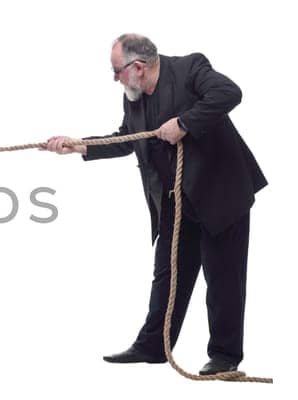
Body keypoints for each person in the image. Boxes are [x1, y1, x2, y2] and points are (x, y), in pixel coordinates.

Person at [43, 33, 267, 375]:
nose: (115, 78)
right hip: (175, 200)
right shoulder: (133, 96)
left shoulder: (191, 68)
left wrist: (184, 123)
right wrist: (80, 146)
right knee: (166, 274)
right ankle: (153, 346)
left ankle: (224, 356)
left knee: (222, 278)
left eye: (116, 71)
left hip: (220, 194)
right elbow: (126, 139)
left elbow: (229, 93)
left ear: (138, 67)